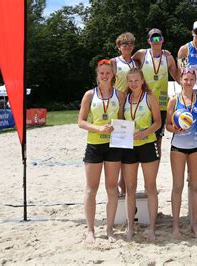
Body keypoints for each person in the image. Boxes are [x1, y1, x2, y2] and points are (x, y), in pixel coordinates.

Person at [78, 59, 125, 244]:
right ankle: (90, 230)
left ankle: (110, 229)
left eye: (108, 72)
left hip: (113, 146)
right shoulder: (90, 95)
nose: (105, 76)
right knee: (91, 188)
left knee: (112, 188)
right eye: (101, 73)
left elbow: (122, 120)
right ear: (97, 75)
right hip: (94, 145)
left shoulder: (120, 95)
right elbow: (81, 121)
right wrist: (98, 129)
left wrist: (119, 130)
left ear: (113, 74)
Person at [121, 68, 161, 241]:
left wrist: (145, 133)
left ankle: (152, 228)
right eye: (130, 81)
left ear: (142, 81)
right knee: (130, 188)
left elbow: (158, 123)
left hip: (147, 144)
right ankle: (130, 227)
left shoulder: (150, 97)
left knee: (150, 187)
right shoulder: (125, 99)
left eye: (136, 80)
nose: (133, 84)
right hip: (129, 146)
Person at [166, 68, 197, 237]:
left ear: (195, 81)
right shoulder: (174, 101)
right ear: (180, 81)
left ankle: (194, 224)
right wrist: (174, 129)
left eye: (191, 79)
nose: (188, 82)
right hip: (178, 147)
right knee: (178, 186)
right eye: (185, 79)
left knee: (195, 186)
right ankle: (176, 225)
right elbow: (167, 125)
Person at [132, 28, 179, 154]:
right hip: (144, 101)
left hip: (161, 103)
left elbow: (177, 77)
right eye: (153, 38)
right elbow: (128, 65)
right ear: (148, 40)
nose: (156, 41)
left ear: (163, 39)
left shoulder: (168, 57)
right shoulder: (141, 54)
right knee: (139, 134)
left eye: (158, 38)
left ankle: (155, 168)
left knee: (158, 138)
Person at [110, 32, 138, 197]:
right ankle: (119, 182)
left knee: (129, 143)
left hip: (131, 104)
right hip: (116, 105)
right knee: (118, 142)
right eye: (124, 43)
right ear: (119, 45)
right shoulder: (114, 62)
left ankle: (125, 180)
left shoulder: (136, 62)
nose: (127, 45)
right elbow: (106, 81)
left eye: (130, 43)